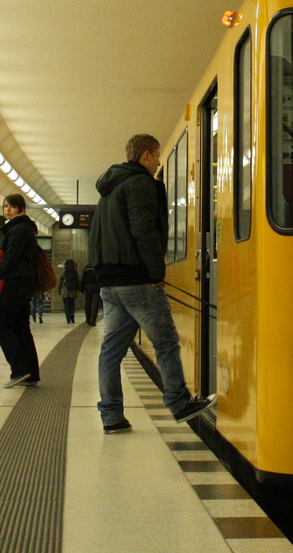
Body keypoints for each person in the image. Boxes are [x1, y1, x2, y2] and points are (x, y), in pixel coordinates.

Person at [91, 133, 214, 433]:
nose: (159, 163)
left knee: (111, 352)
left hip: (111, 283)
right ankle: (179, 402)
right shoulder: (140, 184)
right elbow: (144, 230)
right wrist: (156, 272)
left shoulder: (109, 189)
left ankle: (111, 417)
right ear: (145, 156)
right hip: (137, 280)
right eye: (157, 156)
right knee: (167, 342)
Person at [0, 193, 40, 388]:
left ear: (21, 209)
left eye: (12, 206)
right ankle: (31, 374)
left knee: (3, 327)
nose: (7, 209)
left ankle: (20, 369)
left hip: (15, 284)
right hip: (24, 284)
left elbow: (9, 259)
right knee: (21, 328)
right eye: (5, 205)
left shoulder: (19, 229)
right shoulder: (23, 228)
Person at [58, 259, 80, 324]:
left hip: (64, 291)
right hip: (72, 290)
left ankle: (68, 319)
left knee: (66, 305)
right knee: (72, 304)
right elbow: (78, 281)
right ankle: (72, 318)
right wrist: (78, 289)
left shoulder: (64, 272)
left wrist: (59, 291)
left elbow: (60, 282)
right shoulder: (75, 272)